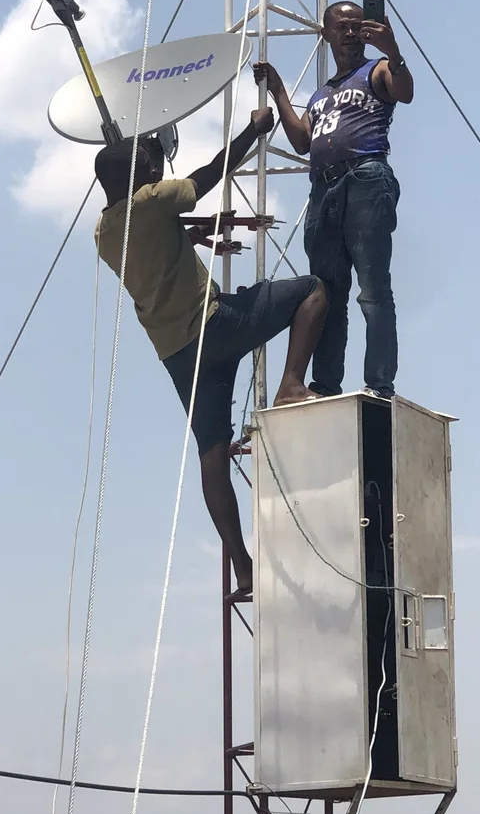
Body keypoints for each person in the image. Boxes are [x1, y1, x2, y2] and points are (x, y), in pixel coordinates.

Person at [93, 107, 328, 595]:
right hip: (216, 326)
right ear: (140, 177)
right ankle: (290, 385)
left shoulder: (104, 233)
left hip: (178, 355)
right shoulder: (155, 199)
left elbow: (155, 238)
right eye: (149, 167)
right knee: (313, 292)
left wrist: (191, 234)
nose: (157, 171)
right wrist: (255, 130)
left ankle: (242, 565)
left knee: (212, 455)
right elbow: (208, 174)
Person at [254, 1, 413, 399]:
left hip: (364, 178)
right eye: (341, 26)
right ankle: (325, 387)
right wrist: (277, 91)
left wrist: (392, 50)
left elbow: (405, 92)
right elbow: (302, 140)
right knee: (328, 293)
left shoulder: (376, 68)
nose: (349, 31)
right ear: (326, 34)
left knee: (373, 288)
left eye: (356, 25)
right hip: (323, 189)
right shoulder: (322, 94)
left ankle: (379, 384)